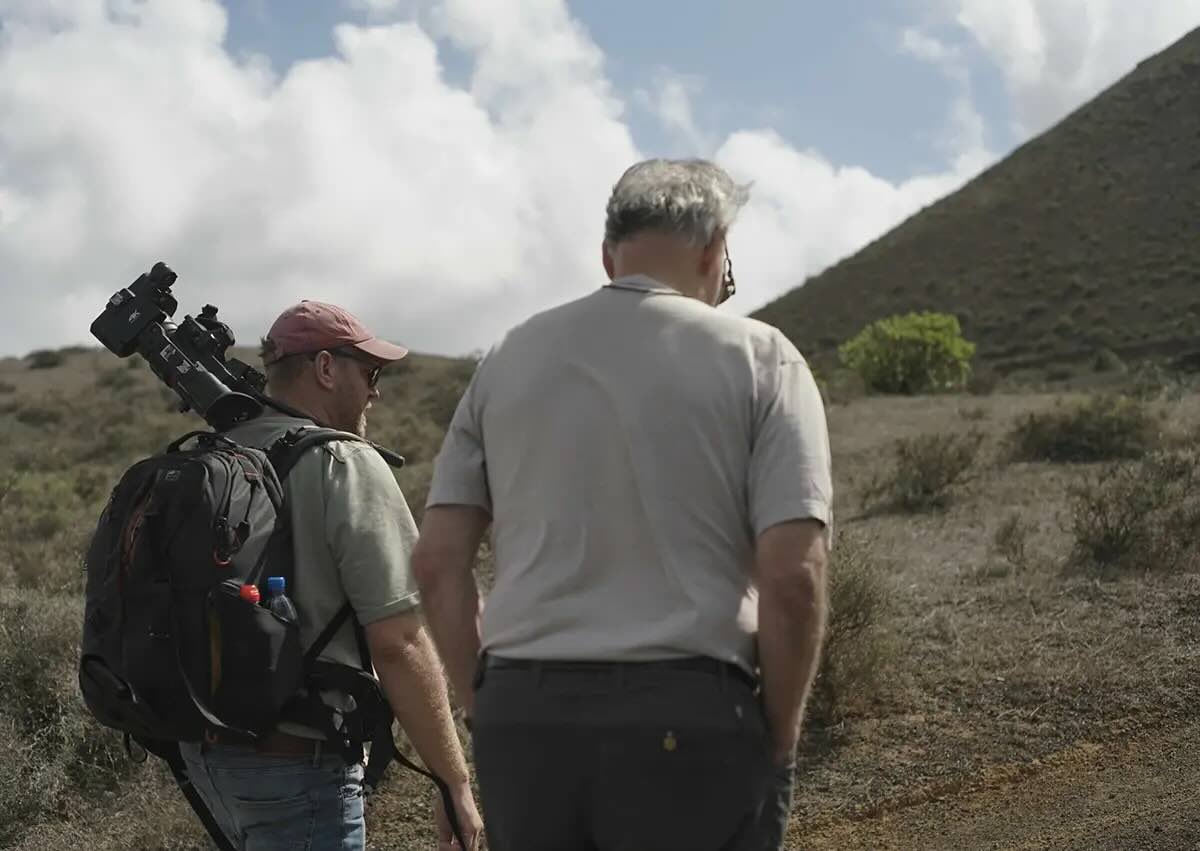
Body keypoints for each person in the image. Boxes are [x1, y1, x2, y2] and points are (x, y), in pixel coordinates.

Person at [412, 158, 833, 851]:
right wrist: (779, 732)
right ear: (714, 247)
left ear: (608, 255)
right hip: (689, 710)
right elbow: (794, 575)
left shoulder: (509, 358)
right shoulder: (764, 358)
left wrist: (487, 709)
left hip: (525, 716)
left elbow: (436, 562)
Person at [177, 300, 484, 851]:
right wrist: (453, 782)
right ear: (324, 368)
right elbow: (400, 642)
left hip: (206, 759)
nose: (376, 391)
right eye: (369, 374)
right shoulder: (344, 462)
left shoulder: (223, 451)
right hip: (297, 765)